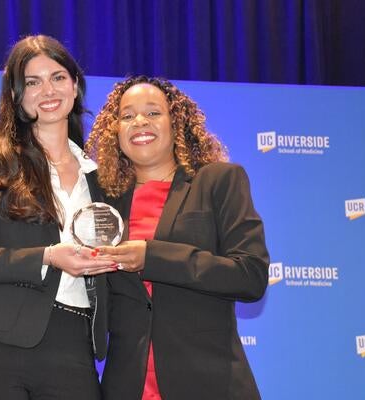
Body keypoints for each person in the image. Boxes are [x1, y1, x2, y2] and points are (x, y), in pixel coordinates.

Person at [0, 35, 116, 400]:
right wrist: (46, 257)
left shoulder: (100, 176)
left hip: (75, 346)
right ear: (17, 95)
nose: (47, 91)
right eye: (32, 82)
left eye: (57, 77)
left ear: (74, 86)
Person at [85, 76, 270, 399]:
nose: (140, 121)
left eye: (153, 112)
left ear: (176, 123)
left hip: (209, 383)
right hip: (127, 385)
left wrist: (152, 257)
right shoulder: (102, 200)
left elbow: (250, 276)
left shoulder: (218, 181)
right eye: (127, 116)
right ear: (115, 131)